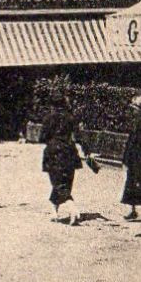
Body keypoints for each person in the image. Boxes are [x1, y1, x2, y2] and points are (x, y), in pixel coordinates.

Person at [40, 90, 96, 225]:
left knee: (57, 182)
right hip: (70, 152)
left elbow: (42, 138)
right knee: (65, 181)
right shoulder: (71, 118)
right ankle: (54, 212)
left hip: (54, 152)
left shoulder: (48, 118)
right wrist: (87, 152)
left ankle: (72, 207)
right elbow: (80, 137)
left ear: (52, 104)